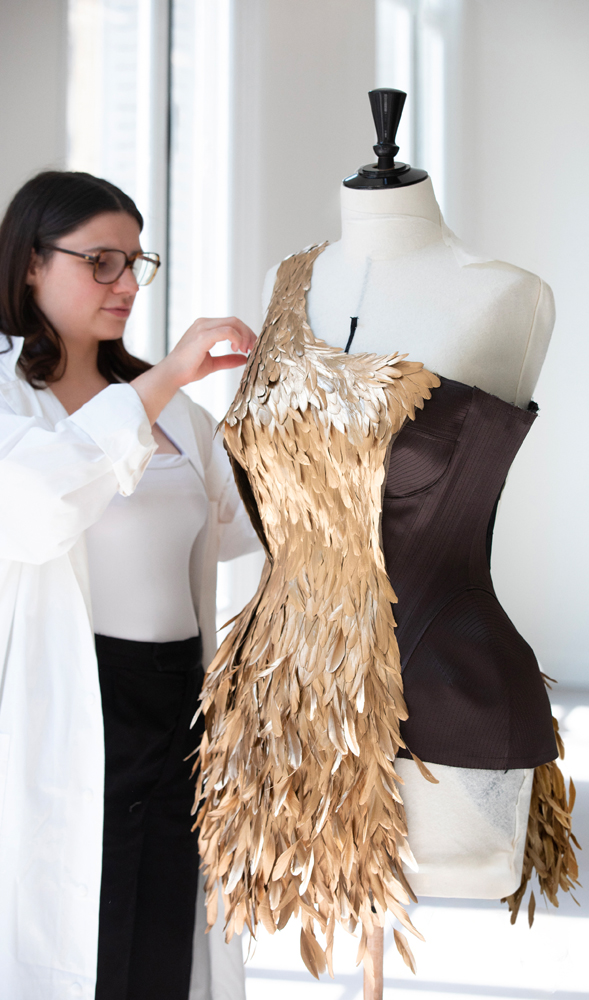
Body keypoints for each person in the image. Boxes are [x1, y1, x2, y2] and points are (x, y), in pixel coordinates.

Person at [0, 170, 261, 1000]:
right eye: (101, 262)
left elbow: (235, 526)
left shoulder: (171, 409)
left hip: (179, 696)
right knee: (85, 933)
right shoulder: (14, 395)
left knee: (164, 931)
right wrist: (168, 378)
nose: (124, 285)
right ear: (33, 263)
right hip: (80, 697)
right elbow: (41, 506)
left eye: (136, 264)